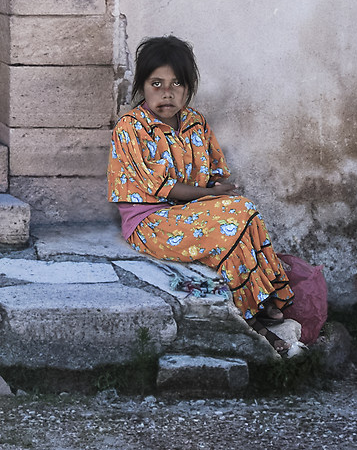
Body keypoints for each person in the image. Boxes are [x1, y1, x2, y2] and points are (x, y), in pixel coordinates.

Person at [108, 34, 319, 355]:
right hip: (150, 222)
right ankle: (252, 311)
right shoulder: (131, 127)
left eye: (177, 84)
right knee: (230, 224)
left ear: (189, 87)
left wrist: (218, 192)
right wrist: (213, 194)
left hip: (191, 209)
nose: (167, 93)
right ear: (142, 87)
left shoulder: (195, 122)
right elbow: (161, 188)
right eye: (156, 84)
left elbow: (216, 173)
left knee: (244, 210)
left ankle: (262, 299)